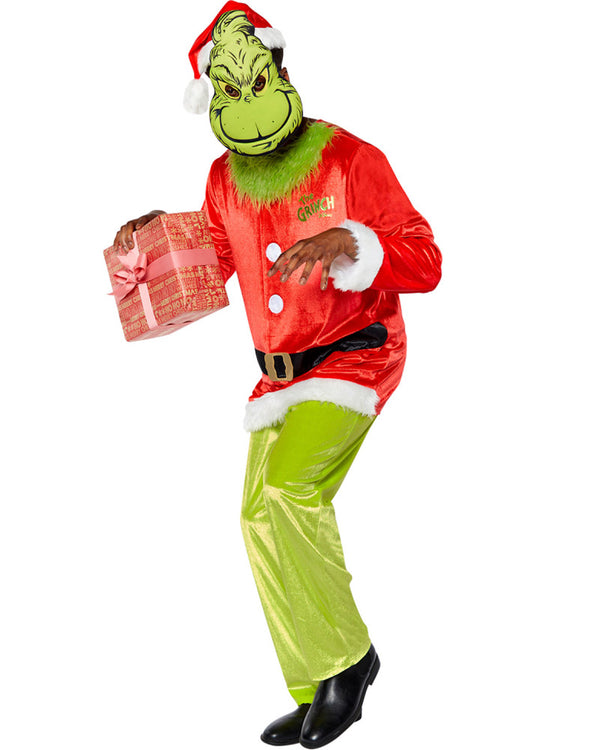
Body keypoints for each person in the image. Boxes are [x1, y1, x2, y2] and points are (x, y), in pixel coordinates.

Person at [113, 3, 442, 747]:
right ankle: (313, 682)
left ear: (281, 68)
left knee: (291, 489)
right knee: (256, 516)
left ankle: (350, 662)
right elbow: (216, 263)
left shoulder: (350, 159)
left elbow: (426, 259)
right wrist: (156, 242)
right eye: (230, 91)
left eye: (257, 80)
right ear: (212, 99)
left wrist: (349, 242)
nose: (248, 101)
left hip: (357, 356)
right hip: (276, 377)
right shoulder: (223, 179)